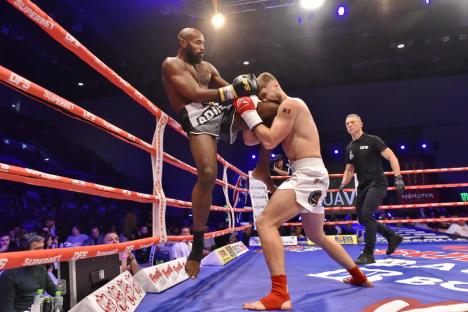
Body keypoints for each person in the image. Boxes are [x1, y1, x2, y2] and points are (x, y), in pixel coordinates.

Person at [233, 73, 372, 311]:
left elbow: (268, 141)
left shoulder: (291, 104)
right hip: (310, 174)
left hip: (308, 174)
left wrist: (249, 111)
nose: (265, 99)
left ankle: (279, 295)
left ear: (276, 86)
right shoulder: (280, 113)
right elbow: (250, 140)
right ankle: (358, 276)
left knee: (266, 222)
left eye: (265, 94)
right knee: (316, 234)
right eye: (261, 98)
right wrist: (247, 111)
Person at [161, 27, 278, 278]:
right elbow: (193, 94)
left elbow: (234, 90)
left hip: (220, 112)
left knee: (274, 109)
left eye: (204, 43)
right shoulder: (171, 65)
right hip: (196, 117)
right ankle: (196, 247)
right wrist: (233, 91)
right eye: (198, 43)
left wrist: (253, 93)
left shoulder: (208, 67)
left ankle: (263, 169)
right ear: (182, 42)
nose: (203, 47)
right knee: (207, 173)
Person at [339, 114, 405, 265]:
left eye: (352, 122)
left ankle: (369, 253)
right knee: (362, 218)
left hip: (378, 183)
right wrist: (343, 183)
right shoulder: (349, 147)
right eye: (347, 123)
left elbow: (392, 157)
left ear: (361, 123)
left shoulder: (373, 140)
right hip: (362, 186)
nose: (349, 125)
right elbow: (349, 170)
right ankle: (392, 237)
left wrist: (398, 177)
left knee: (367, 215)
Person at [0, 235, 57, 312]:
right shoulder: (9, 274)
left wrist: (61, 292)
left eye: (42, 248)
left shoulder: (41, 268)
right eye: (37, 249)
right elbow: (6, 308)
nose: (42, 252)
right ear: (25, 251)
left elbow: (54, 290)